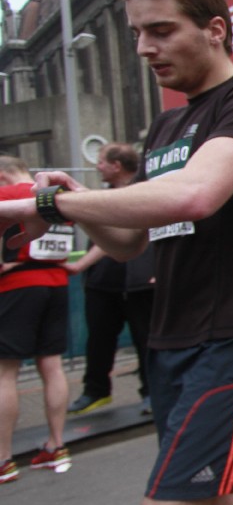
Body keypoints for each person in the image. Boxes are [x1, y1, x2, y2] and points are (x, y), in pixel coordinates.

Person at [0, 0, 233, 505]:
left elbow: (195, 195)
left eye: (161, 30)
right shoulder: (166, 125)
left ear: (214, 30)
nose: (144, 48)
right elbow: (129, 240)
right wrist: (73, 201)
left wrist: (50, 204)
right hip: (171, 339)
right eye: (137, 33)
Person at [63, 143, 155, 416]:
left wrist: (79, 265)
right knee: (99, 340)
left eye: (102, 161)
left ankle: (151, 392)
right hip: (104, 282)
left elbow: (122, 238)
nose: (97, 166)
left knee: (146, 341)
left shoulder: (146, 194)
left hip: (139, 282)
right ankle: (95, 391)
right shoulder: (102, 197)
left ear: (117, 165)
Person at [0, 155, 72, 484]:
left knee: (6, 372)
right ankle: (57, 446)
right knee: (52, 365)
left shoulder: (8, 195)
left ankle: (4, 459)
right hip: (56, 283)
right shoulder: (54, 195)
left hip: (16, 287)